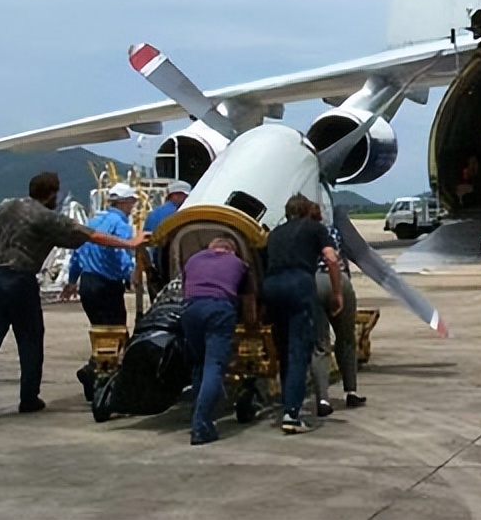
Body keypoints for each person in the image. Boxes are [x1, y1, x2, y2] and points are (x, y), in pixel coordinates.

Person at [0, 172, 146, 424]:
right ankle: (29, 397)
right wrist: (130, 244)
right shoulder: (47, 217)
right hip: (19, 278)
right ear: (52, 194)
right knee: (30, 338)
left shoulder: (6, 205)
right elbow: (90, 236)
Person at [263, 194, 343, 434]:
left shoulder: (275, 234)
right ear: (308, 210)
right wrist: (337, 292)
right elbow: (331, 258)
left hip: (271, 286)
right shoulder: (315, 228)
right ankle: (292, 414)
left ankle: (287, 403)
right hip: (298, 284)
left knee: (284, 349)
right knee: (299, 350)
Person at [62, 182, 142, 401]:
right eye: (132, 201)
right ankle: (98, 376)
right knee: (116, 335)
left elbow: (77, 254)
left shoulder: (93, 222)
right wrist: (130, 275)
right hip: (107, 284)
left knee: (100, 332)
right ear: (125, 202)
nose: (133, 206)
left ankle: (95, 371)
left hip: (87, 283)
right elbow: (121, 256)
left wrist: (71, 282)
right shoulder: (121, 225)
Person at [179, 235, 251, 445]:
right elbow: (248, 299)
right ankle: (201, 426)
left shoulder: (193, 259)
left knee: (199, 363)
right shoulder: (238, 263)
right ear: (230, 250)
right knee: (214, 366)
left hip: (190, 310)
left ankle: (199, 411)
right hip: (219, 309)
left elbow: (185, 288)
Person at [307, 203, 365, 418]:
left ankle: (322, 398)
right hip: (336, 279)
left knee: (320, 344)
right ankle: (351, 391)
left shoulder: (296, 231)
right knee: (346, 338)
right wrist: (341, 288)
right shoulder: (330, 231)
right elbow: (338, 258)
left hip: (311, 283)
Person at [144, 180, 190, 273]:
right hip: (171, 263)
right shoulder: (179, 214)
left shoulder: (153, 213)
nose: (187, 199)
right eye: (185, 196)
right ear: (176, 195)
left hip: (154, 263)